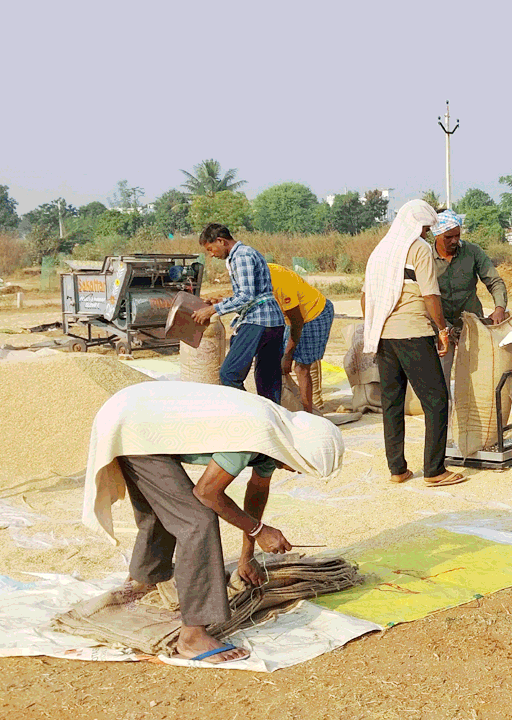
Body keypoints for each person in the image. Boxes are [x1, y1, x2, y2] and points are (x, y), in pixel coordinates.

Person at [83, 381, 344, 665]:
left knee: (168, 507)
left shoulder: (279, 438)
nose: (294, 469)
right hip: (132, 422)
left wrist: (248, 557)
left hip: (135, 418)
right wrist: (260, 531)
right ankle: (192, 637)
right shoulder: (258, 430)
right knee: (197, 521)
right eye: (300, 465)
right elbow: (206, 492)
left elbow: (256, 494)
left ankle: (146, 579)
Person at [361, 200, 465, 487]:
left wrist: (375, 327)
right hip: (413, 333)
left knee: (392, 403)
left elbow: (365, 298)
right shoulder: (418, 249)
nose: (424, 232)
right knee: (436, 401)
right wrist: (442, 329)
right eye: (424, 226)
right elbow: (430, 295)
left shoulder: (380, 252)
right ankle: (434, 471)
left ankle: (397, 469)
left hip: (384, 337)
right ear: (415, 225)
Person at [193, 224, 287, 403]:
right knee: (267, 380)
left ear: (221, 241)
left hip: (258, 320)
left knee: (229, 374)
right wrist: (221, 302)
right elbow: (252, 293)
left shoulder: (241, 255)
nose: (212, 254)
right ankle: (274, 419)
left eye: (211, 249)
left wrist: (213, 310)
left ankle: (250, 413)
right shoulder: (246, 253)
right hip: (272, 321)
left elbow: (246, 296)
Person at [429, 209, 509, 378]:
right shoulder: (425, 257)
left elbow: (494, 281)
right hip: (441, 326)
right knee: (440, 377)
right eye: (448, 237)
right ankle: (446, 405)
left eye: (457, 235)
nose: (454, 241)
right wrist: (441, 327)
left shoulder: (472, 252)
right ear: (436, 235)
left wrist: (500, 307)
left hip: (471, 322)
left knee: (478, 376)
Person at [266, 263, 334, 414]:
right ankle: (289, 408)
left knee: (301, 367)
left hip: (313, 314)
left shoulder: (279, 282)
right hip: (294, 317)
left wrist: (288, 355)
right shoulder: (257, 273)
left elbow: (297, 322)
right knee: (278, 364)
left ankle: (309, 414)